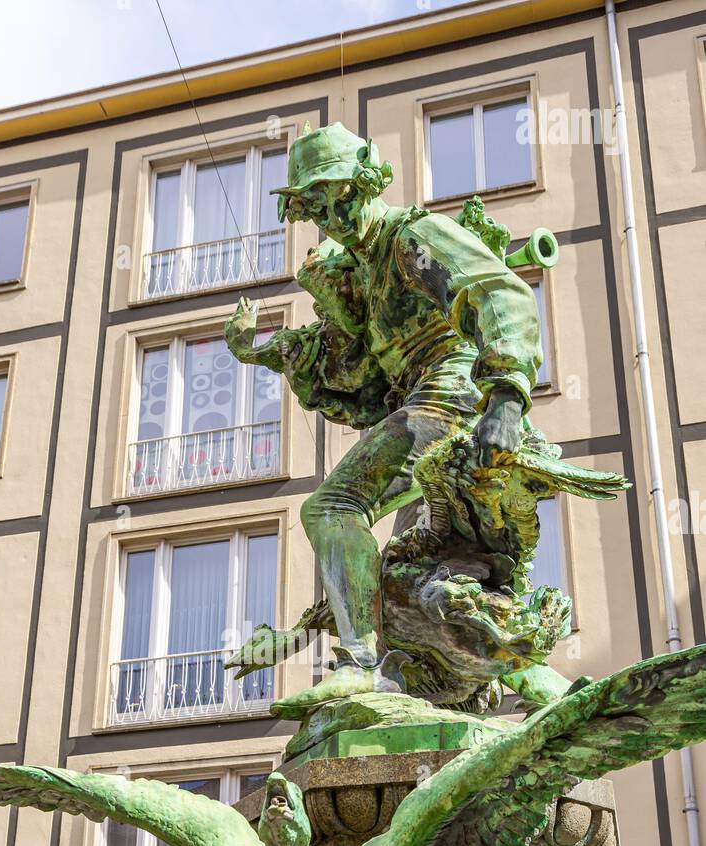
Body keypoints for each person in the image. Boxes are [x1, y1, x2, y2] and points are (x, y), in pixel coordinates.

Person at [225, 121, 543, 712]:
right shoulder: (363, 271)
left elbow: (500, 292)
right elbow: (343, 366)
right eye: (315, 206)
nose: (331, 215)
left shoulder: (413, 236)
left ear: (366, 182)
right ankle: (484, 673)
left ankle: (358, 665)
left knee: (333, 507)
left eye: (338, 196)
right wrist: (257, 348)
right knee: (418, 572)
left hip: (453, 391)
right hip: (421, 400)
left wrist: (507, 396)